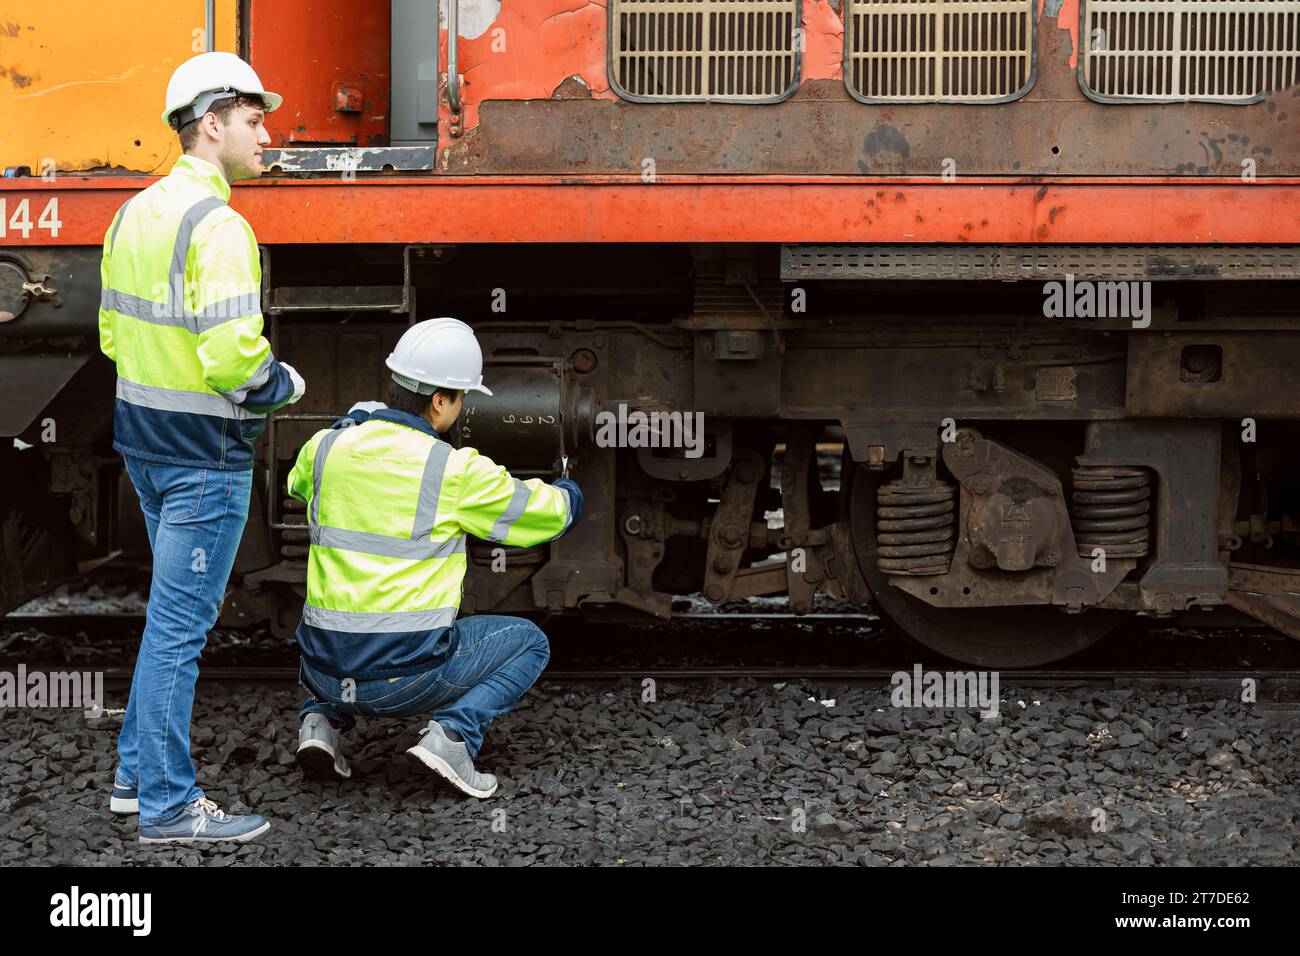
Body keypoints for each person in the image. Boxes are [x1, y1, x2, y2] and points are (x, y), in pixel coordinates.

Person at [99, 52, 305, 843]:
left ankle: (132, 779)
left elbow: (114, 337)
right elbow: (233, 362)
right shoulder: (218, 225)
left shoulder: (133, 214)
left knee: (167, 621)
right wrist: (282, 382)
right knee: (179, 633)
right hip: (202, 458)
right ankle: (169, 810)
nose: (267, 136)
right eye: (255, 121)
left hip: (145, 448)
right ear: (211, 123)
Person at [288, 317, 583, 799]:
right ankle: (451, 738)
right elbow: (544, 517)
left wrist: (345, 431)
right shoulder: (451, 468)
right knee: (530, 642)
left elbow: (296, 484)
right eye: (462, 397)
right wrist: (569, 490)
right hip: (402, 681)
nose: (461, 408)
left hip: (321, 671)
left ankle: (319, 723)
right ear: (440, 400)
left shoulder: (326, 447)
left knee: (341, 629)